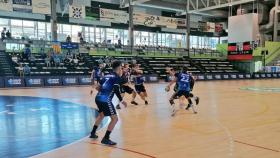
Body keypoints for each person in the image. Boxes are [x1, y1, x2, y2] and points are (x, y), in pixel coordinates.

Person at [89, 60, 127, 146]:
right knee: (115, 119)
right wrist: (122, 100)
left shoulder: (106, 75)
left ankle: (92, 133)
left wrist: (102, 92)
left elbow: (98, 86)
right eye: (122, 67)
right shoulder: (117, 77)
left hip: (98, 98)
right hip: (105, 99)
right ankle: (106, 138)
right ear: (120, 67)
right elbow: (117, 89)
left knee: (101, 115)